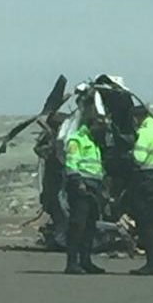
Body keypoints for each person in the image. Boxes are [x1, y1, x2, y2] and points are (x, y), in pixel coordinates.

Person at [63, 116, 106, 275]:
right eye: (99, 124)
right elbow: (71, 163)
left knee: (90, 226)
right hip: (81, 186)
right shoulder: (77, 140)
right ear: (90, 124)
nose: (102, 128)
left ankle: (86, 261)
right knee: (77, 225)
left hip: (94, 186)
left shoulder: (94, 142)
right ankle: (72, 263)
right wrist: (77, 182)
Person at [129, 106, 153, 276]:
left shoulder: (144, 133)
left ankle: (151, 264)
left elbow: (139, 158)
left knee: (146, 224)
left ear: (137, 118)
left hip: (145, 181)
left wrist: (129, 152)